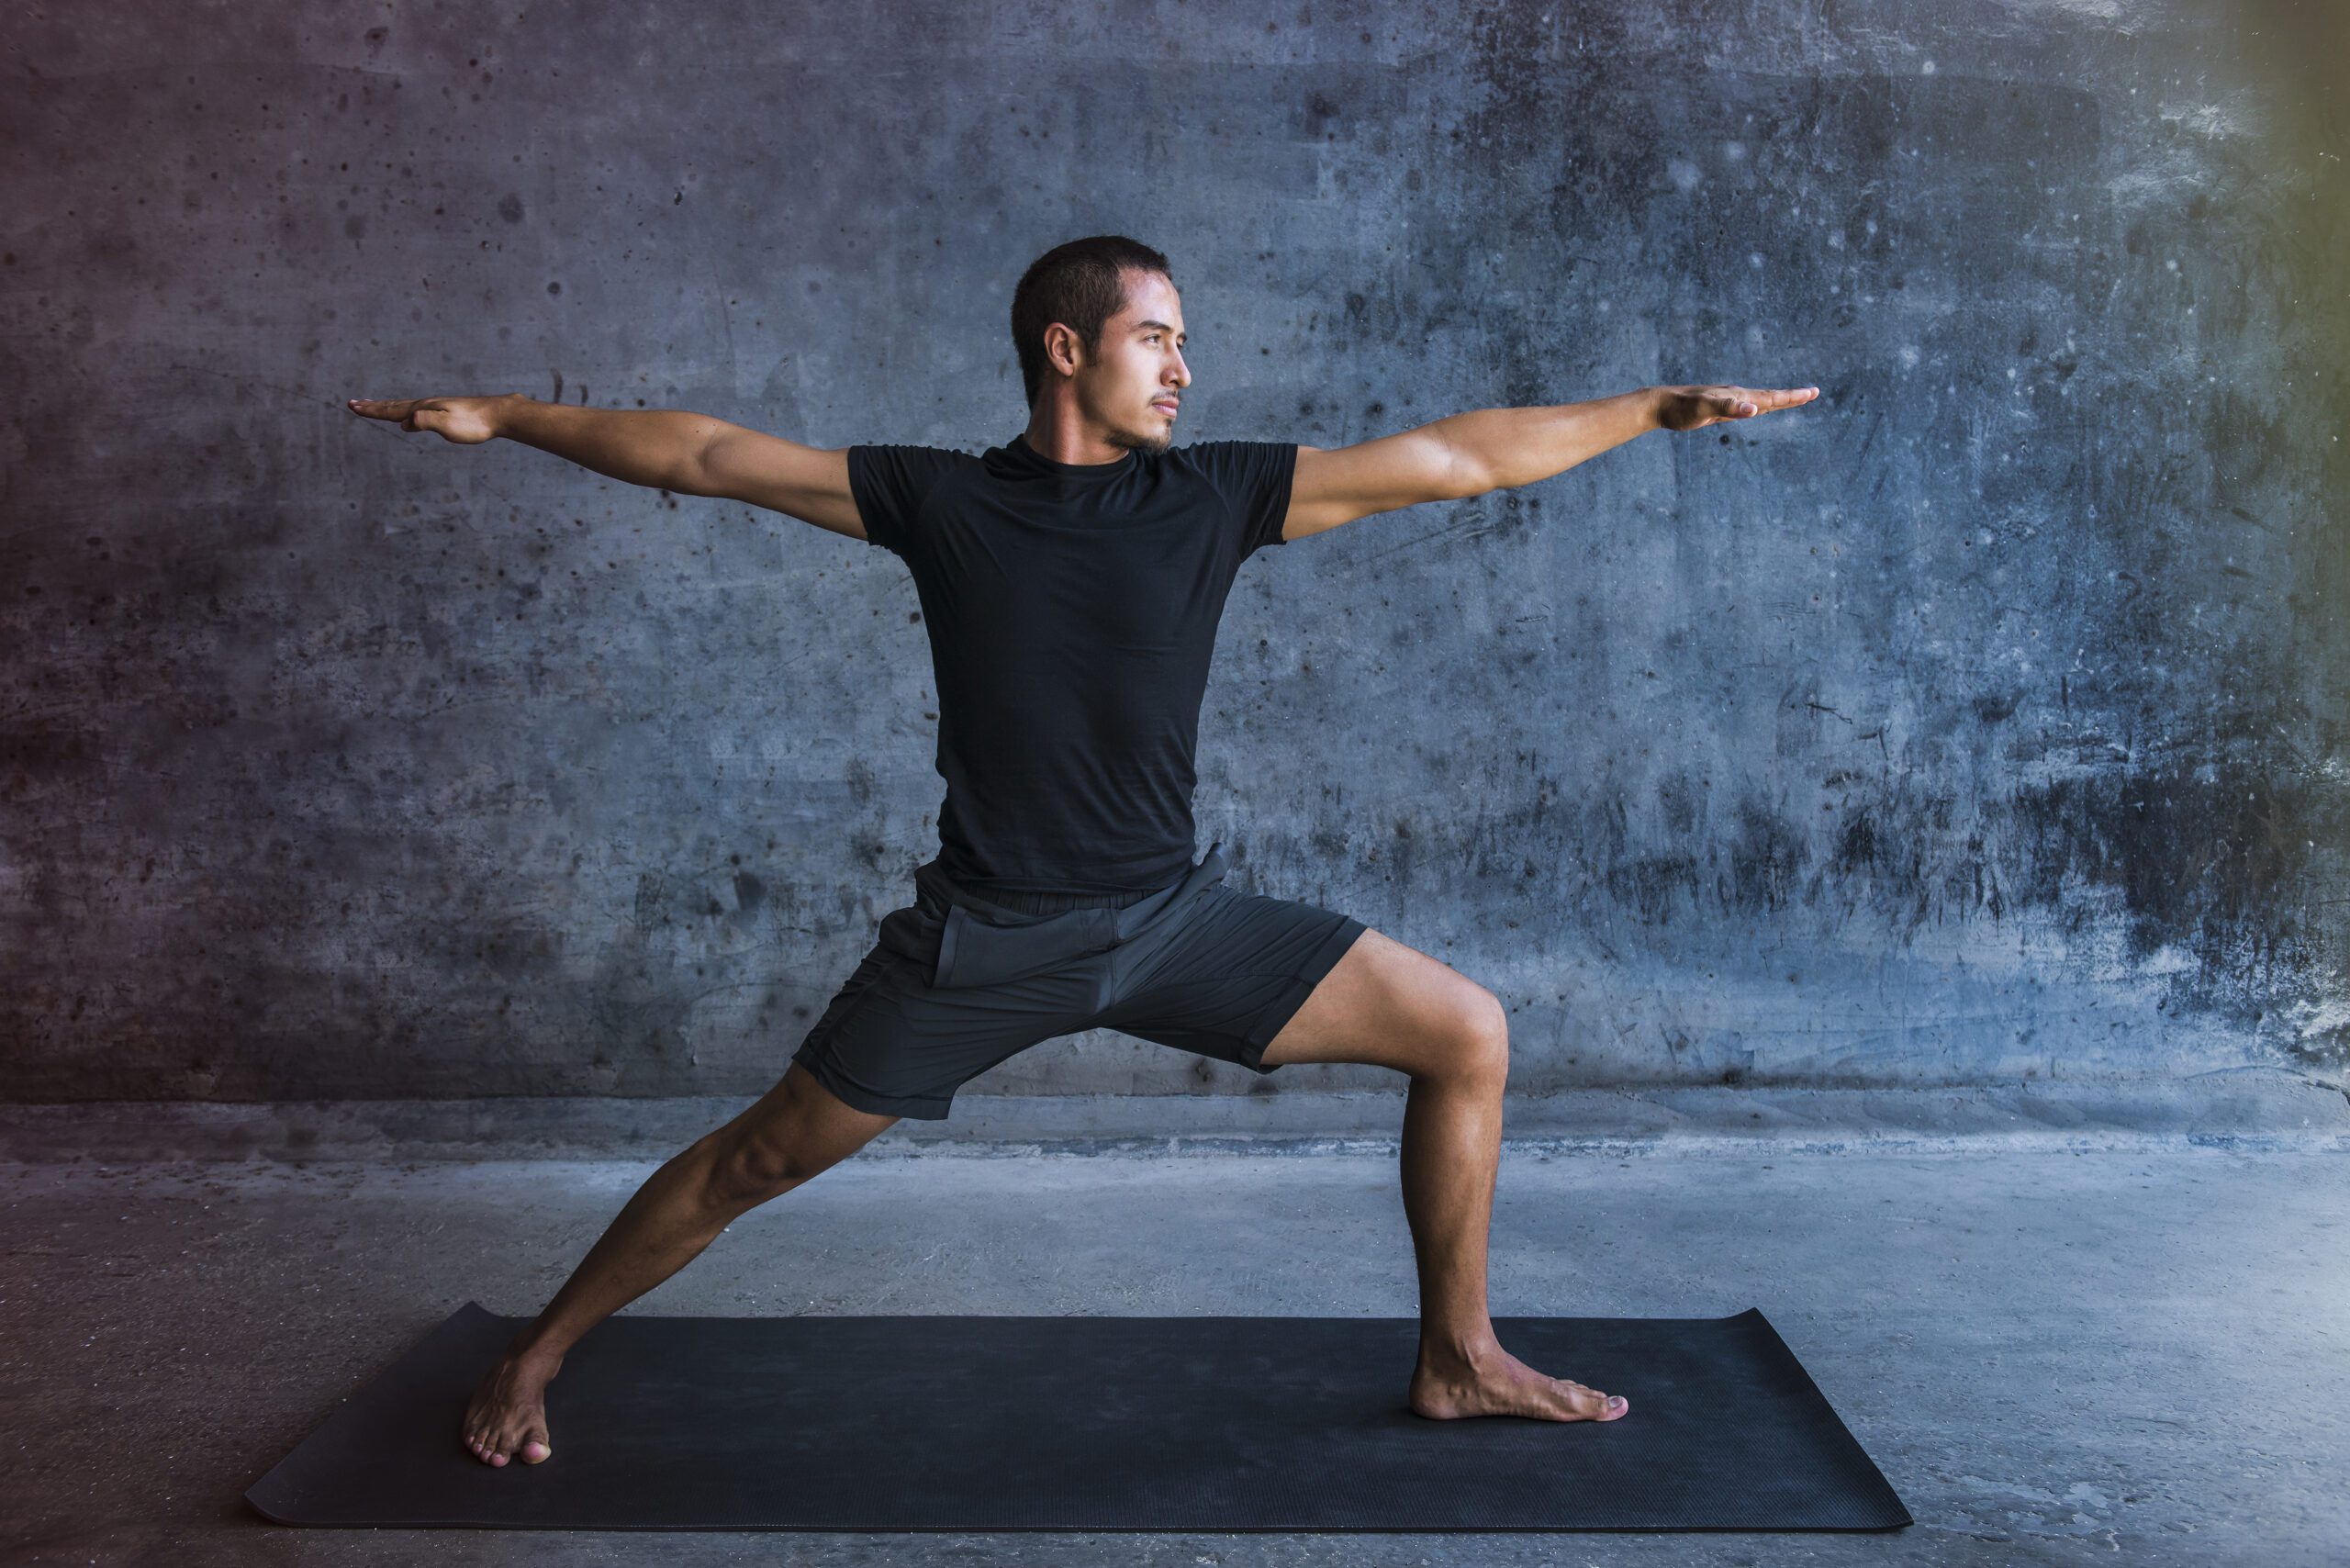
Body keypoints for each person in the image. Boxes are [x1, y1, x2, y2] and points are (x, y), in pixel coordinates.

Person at [349, 234, 1817, 1469]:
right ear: (1065, 349)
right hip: (986, 939)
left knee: (1466, 1033)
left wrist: (1645, 410)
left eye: (1187, 343)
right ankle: (538, 1356)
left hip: (1174, 921)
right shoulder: (943, 501)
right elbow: (707, 455)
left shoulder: (1215, 494)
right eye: (1157, 338)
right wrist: (503, 414)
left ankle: (1460, 1356)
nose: (1185, 367)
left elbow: (1453, 459)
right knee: (752, 1162)